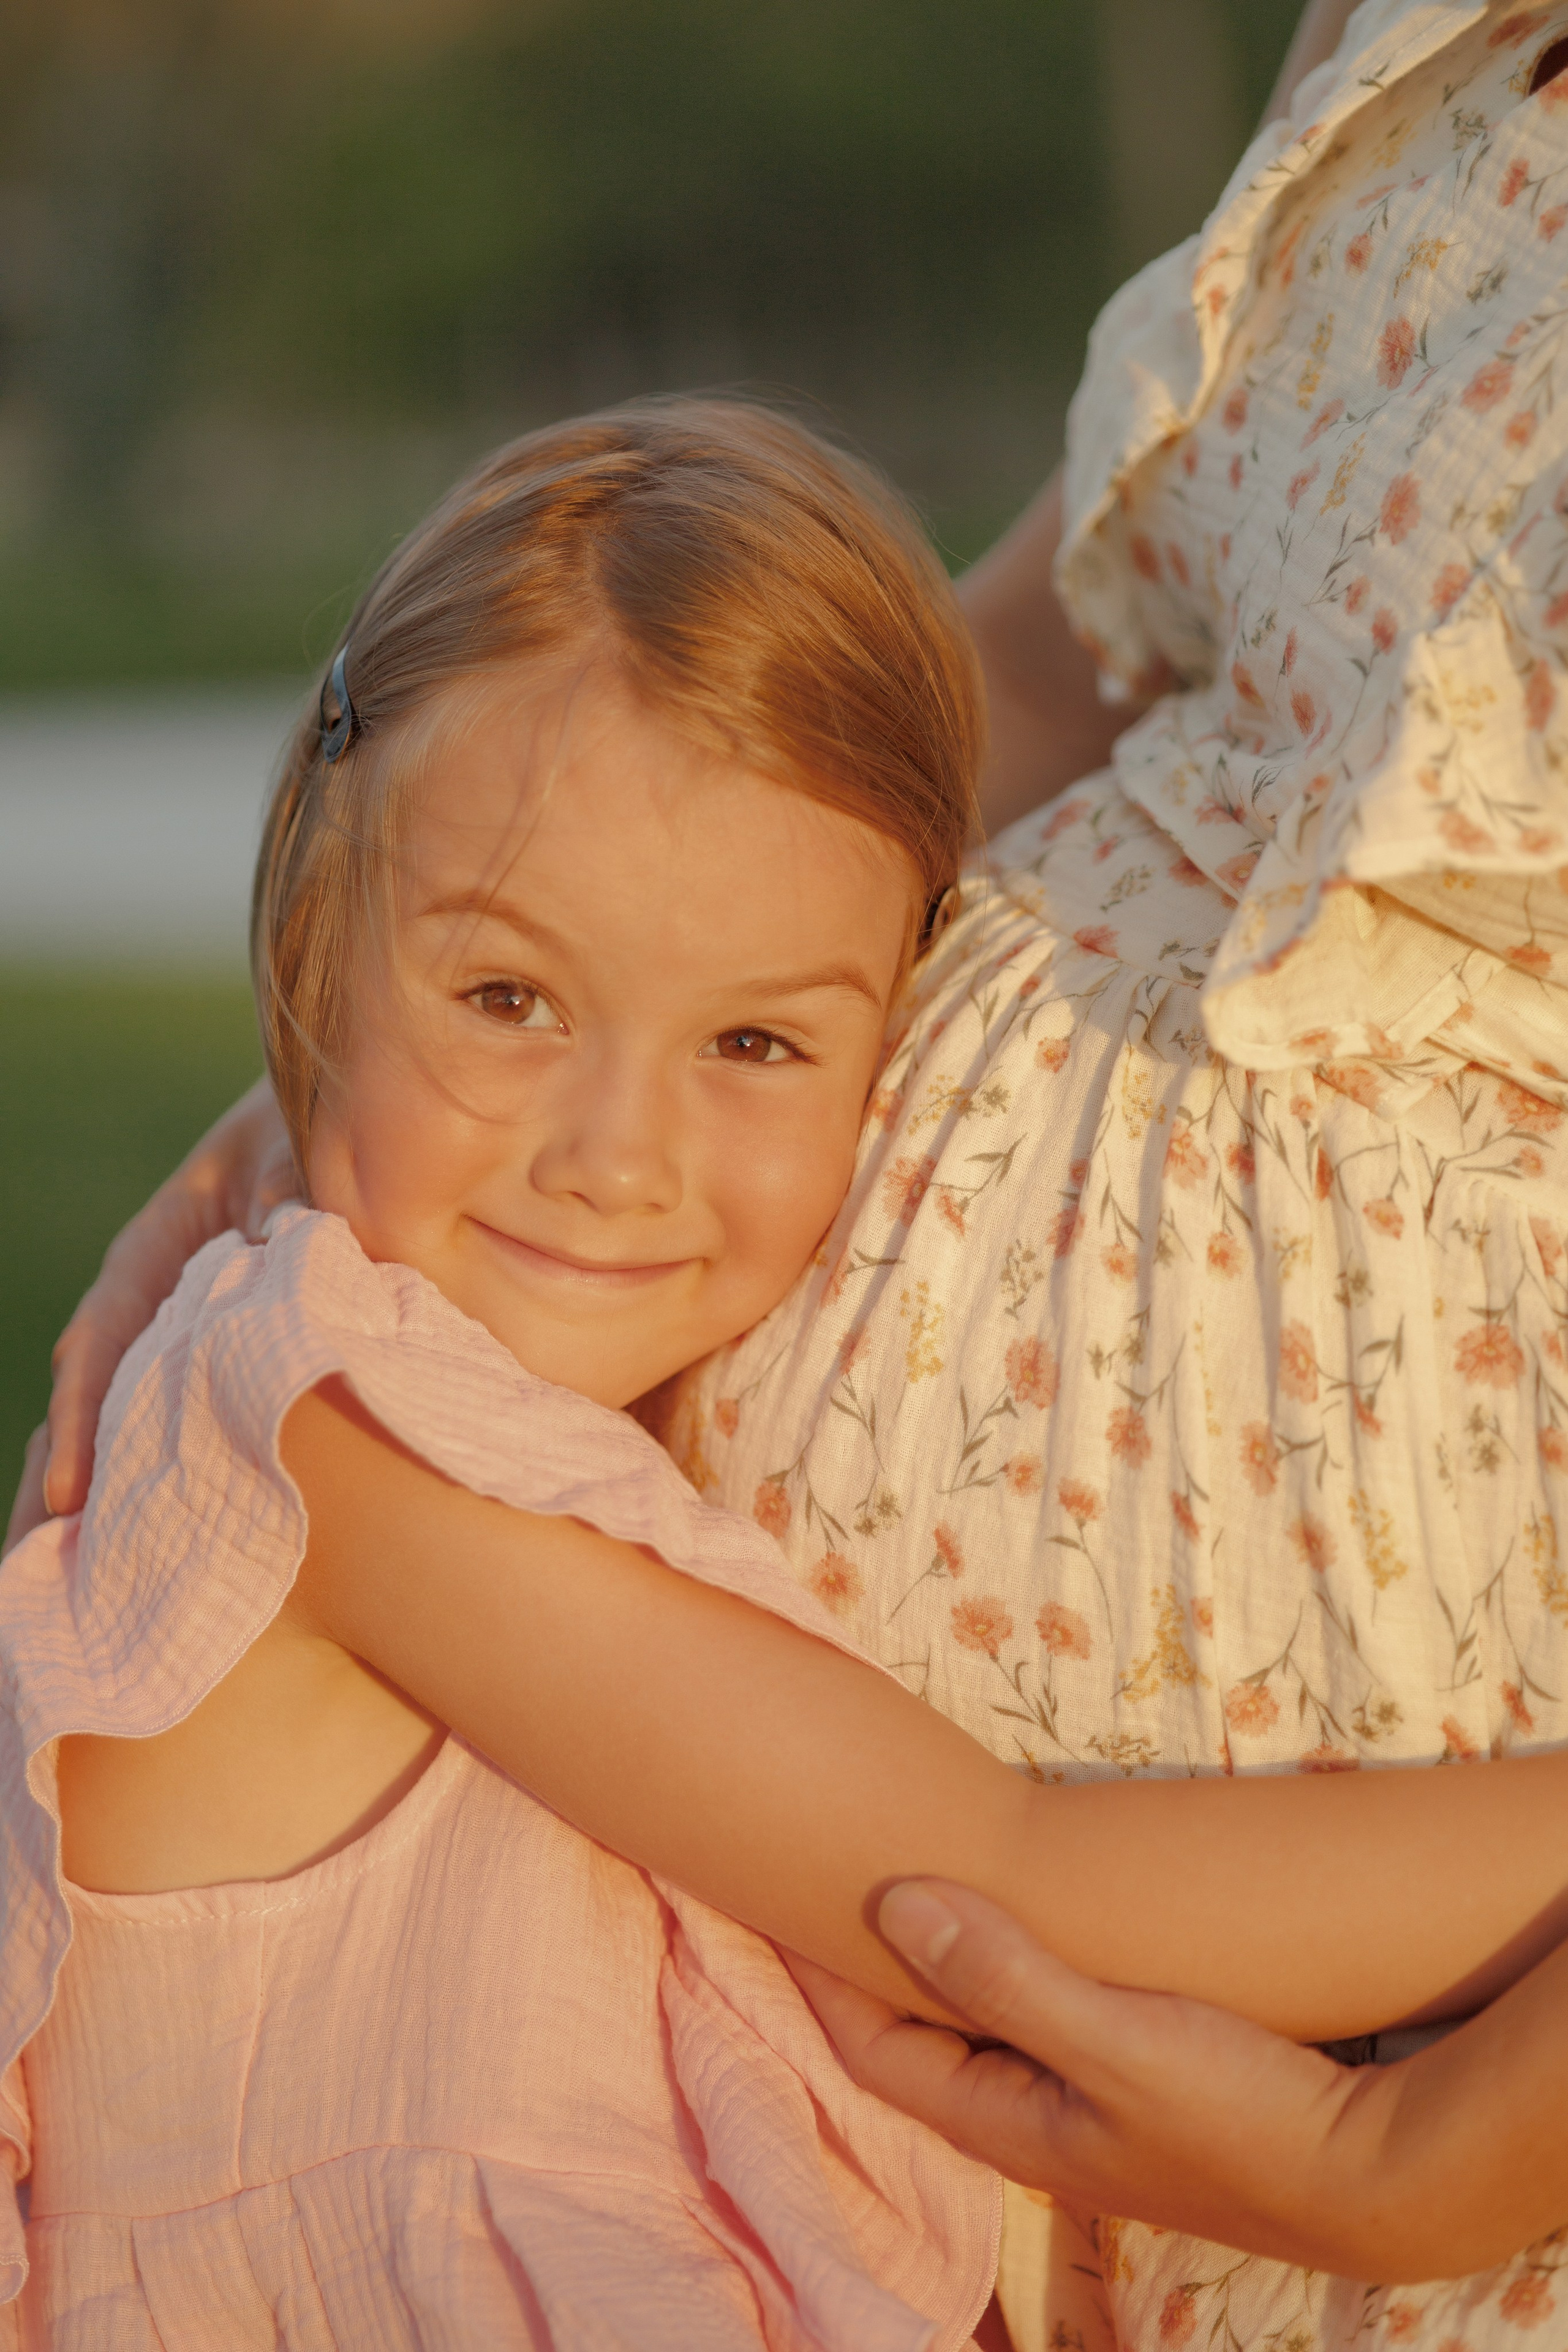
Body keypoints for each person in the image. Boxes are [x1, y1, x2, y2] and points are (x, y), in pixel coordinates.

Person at [13, 0, 1568, 2343]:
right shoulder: (332, 1431)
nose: (613, 1153)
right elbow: (999, 1875)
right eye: (508, 999)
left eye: (758, 1042)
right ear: (306, 946)